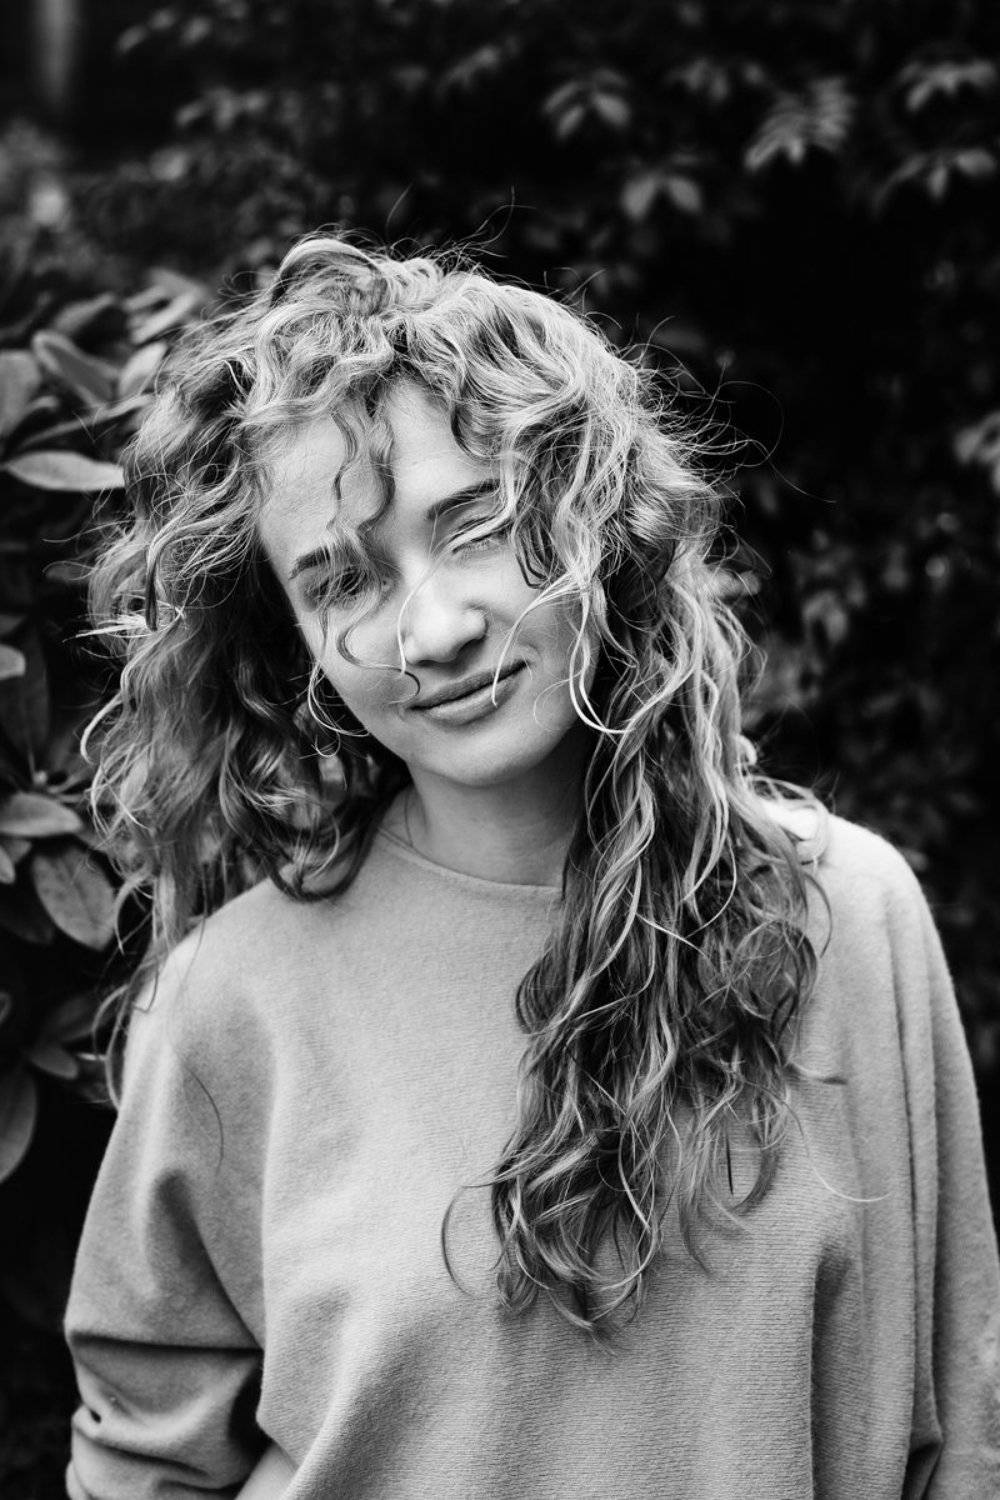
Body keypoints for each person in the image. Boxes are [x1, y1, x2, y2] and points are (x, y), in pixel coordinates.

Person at [64, 236, 999, 1500]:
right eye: (343, 580)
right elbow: (144, 1459)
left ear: (586, 516)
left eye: (477, 525)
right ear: (292, 646)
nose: (434, 628)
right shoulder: (234, 999)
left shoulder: (847, 919)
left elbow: (961, 1426)